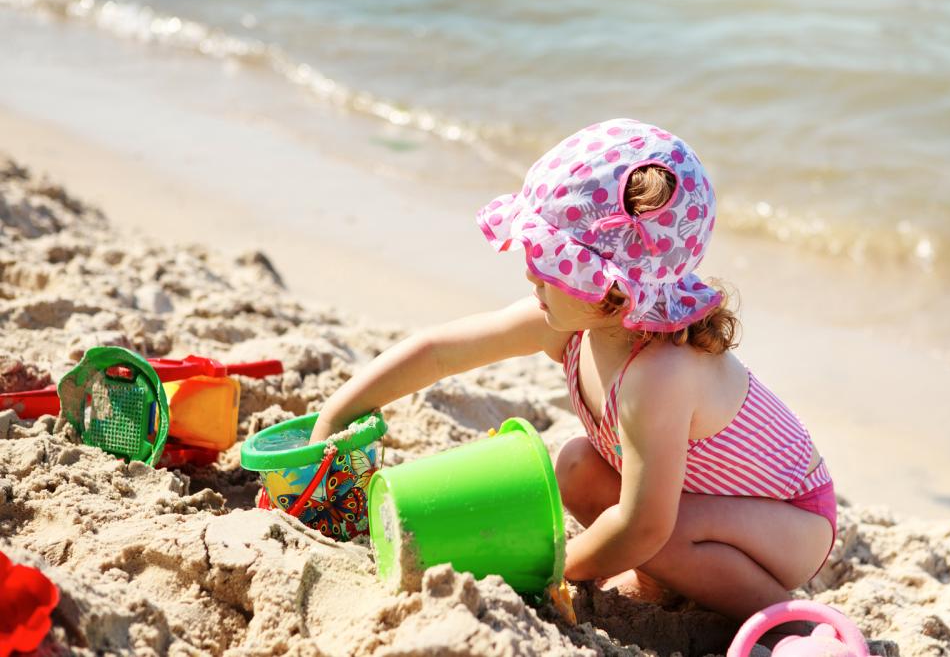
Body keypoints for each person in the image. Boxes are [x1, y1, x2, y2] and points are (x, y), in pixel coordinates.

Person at [309, 118, 836, 623]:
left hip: (788, 520)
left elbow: (643, 525)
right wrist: (340, 412)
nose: (529, 270)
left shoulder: (660, 375)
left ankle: (786, 618)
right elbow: (438, 352)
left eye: (552, 262)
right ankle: (667, 581)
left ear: (611, 290)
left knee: (662, 534)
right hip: (702, 504)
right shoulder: (566, 324)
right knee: (577, 465)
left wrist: (550, 571)